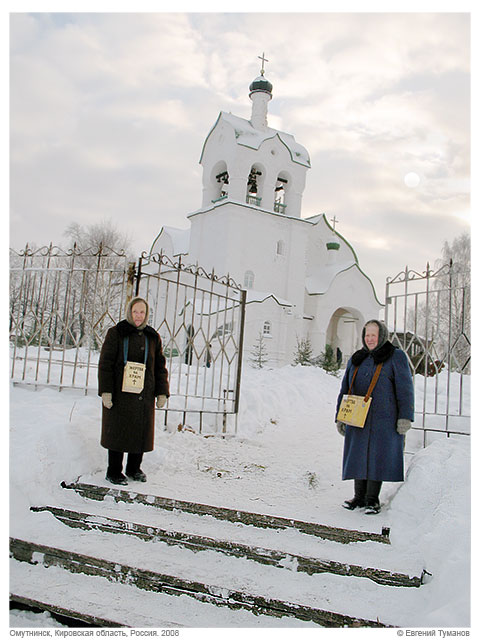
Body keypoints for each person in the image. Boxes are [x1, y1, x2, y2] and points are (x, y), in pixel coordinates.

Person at [335, 319, 414, 514]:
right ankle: (358, 497)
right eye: (367, 335)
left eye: (374, 335)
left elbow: (405, 389)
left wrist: (405, 417)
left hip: (383, 419)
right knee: (358, 455)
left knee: (377, 456)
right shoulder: (357, 358)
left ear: (382, 336)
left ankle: (372, 499)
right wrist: (340, 416)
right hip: (357, 417)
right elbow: (345, 388)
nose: (370, 339)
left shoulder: (395, 356)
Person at [98, 296, 170, 485]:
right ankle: (113, 471)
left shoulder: (152, 337)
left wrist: (162, 391)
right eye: (135, 311)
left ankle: (134, 469)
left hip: (143, 395)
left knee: (139, 432)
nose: (138, 316)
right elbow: (105, 364)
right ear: (129, 312)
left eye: (142, 312)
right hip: (120, 395)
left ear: (147, 315)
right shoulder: (116, 333)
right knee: (118, 432)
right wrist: (106, 391)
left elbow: (159, 366)